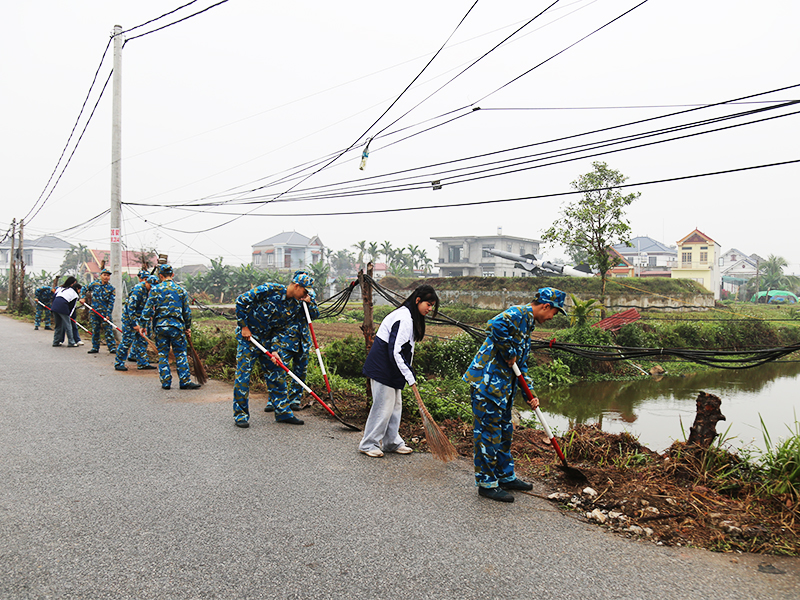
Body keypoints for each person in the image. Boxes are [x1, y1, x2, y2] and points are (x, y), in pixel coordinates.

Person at [463, 287, 567, 503]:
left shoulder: (527, 325)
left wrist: (530, 393)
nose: (551, 318)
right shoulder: (518, 313)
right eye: (554, 313)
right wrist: (509, 352)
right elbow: (493, 324)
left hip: (503, 389)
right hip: (487, 385)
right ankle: (487, 483)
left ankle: (505, 476)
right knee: (488, 434)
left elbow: (521, 365)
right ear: (546, 306)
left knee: (505, 432)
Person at [358, 284, 439, 458]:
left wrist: (406, 374)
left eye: (432, 305)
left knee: (395, 407)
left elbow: (403, 351)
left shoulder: (410, 316)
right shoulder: (403, 317)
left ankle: (391, 442)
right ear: (418, 300)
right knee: (383, 407)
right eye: (428, 304)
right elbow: (395, 351)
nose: (430, 308)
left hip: (393, 368)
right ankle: (368, 443)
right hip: (383, 367)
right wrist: (410, 377)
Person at [232, 271, 318, 428]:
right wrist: (244, 326)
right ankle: (241, 415)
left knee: (277, 374)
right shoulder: (269, 289)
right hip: (248, 339)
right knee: (243, 376)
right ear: (296, 286)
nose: (305, 296)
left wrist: (275, 350)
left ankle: (283, 413)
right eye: (304, 292)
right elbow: (241, 301)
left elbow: (280, 329)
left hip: (267, 341)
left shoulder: (293, 305)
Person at [136, 264, 200, 390]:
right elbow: (186, 312)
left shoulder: (155, 289)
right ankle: (185, 381)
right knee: (180, 353)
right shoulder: (181, 290)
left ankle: (166, 383)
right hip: (177, 327)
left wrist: (143, 325)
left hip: (160, 327)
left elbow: (147, 309)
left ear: (160, 276)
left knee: (163, 354)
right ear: (173, 275)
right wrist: (187, 327)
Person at [114, 275, 158, 372]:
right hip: (130, 318)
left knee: (142, 341)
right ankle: (119, 363)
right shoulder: (138, 290)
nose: (151, 289)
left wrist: (148, 318)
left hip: (141, 319)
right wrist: (134, 324)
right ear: (146, 282)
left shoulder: (152, 292)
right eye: (150, 286)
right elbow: (131, 308)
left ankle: (142, 363)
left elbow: (149, 306)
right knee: (127, 341)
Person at [84, 267, 117, 354]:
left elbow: (111, 302)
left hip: (105, 313)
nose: (106, 277)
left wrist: (108, 314)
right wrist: (83, 297)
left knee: (108, 330)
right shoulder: (95, 284)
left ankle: (112, 347)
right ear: (101, 275)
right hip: (95, 312)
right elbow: (84, 288)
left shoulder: (111, 288)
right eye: (104, 275)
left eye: (108, 276)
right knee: (95, 330)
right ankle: (95, 347)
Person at [51, 277, 85, 347]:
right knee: (68, 325)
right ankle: (71, 342)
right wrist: (69, 316)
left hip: (55, 306)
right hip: (63, 306)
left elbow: (54, 297)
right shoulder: (75, 295)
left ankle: (56, 341)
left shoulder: (61, 288)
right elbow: (72, 308)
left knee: (58, 325)